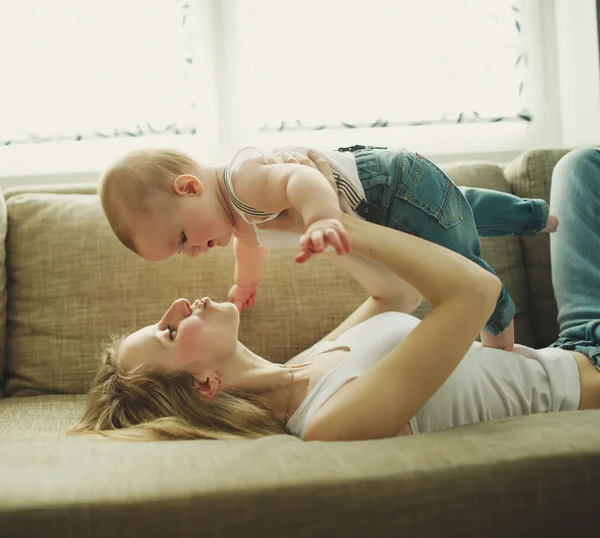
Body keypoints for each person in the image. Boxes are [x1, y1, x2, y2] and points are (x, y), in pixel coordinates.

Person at [72, 149, 600, 442]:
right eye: (168, 330)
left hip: (576, 341)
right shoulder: (330, 421)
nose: (179, 303)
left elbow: (395, 296)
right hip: (593, 378)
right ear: (206, 384)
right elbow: (476, 292)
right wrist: (345, 222)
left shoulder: (308, 363)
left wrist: (319, 221)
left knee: (579, 169)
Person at [98, 145, 558, 351]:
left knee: (456, 251)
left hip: (388, 185)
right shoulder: (237, 219)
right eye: (181, 253)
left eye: (182, 239)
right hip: (391, 197)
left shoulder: (242, 182)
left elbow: (302, 178)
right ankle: (534, 216)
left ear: (189, 186)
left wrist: (321, 219)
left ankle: (498, 341)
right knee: (455, 210)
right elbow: (252, 245)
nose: (194, 252)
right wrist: (245, 282)